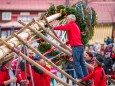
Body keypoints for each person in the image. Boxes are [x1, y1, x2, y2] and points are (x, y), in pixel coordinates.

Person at [54, 14, 88, 82]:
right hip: (80, 46)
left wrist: (54, 28)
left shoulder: (71, 25)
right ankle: (86, 77)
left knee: (76, 63)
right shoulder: (75, 26)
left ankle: (80, 77)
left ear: (70, 19)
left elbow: (63, 27)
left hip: (76, 47)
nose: (66, 20)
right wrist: (67, 42)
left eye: (67, 19)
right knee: (82, 63)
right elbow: (74, 37)